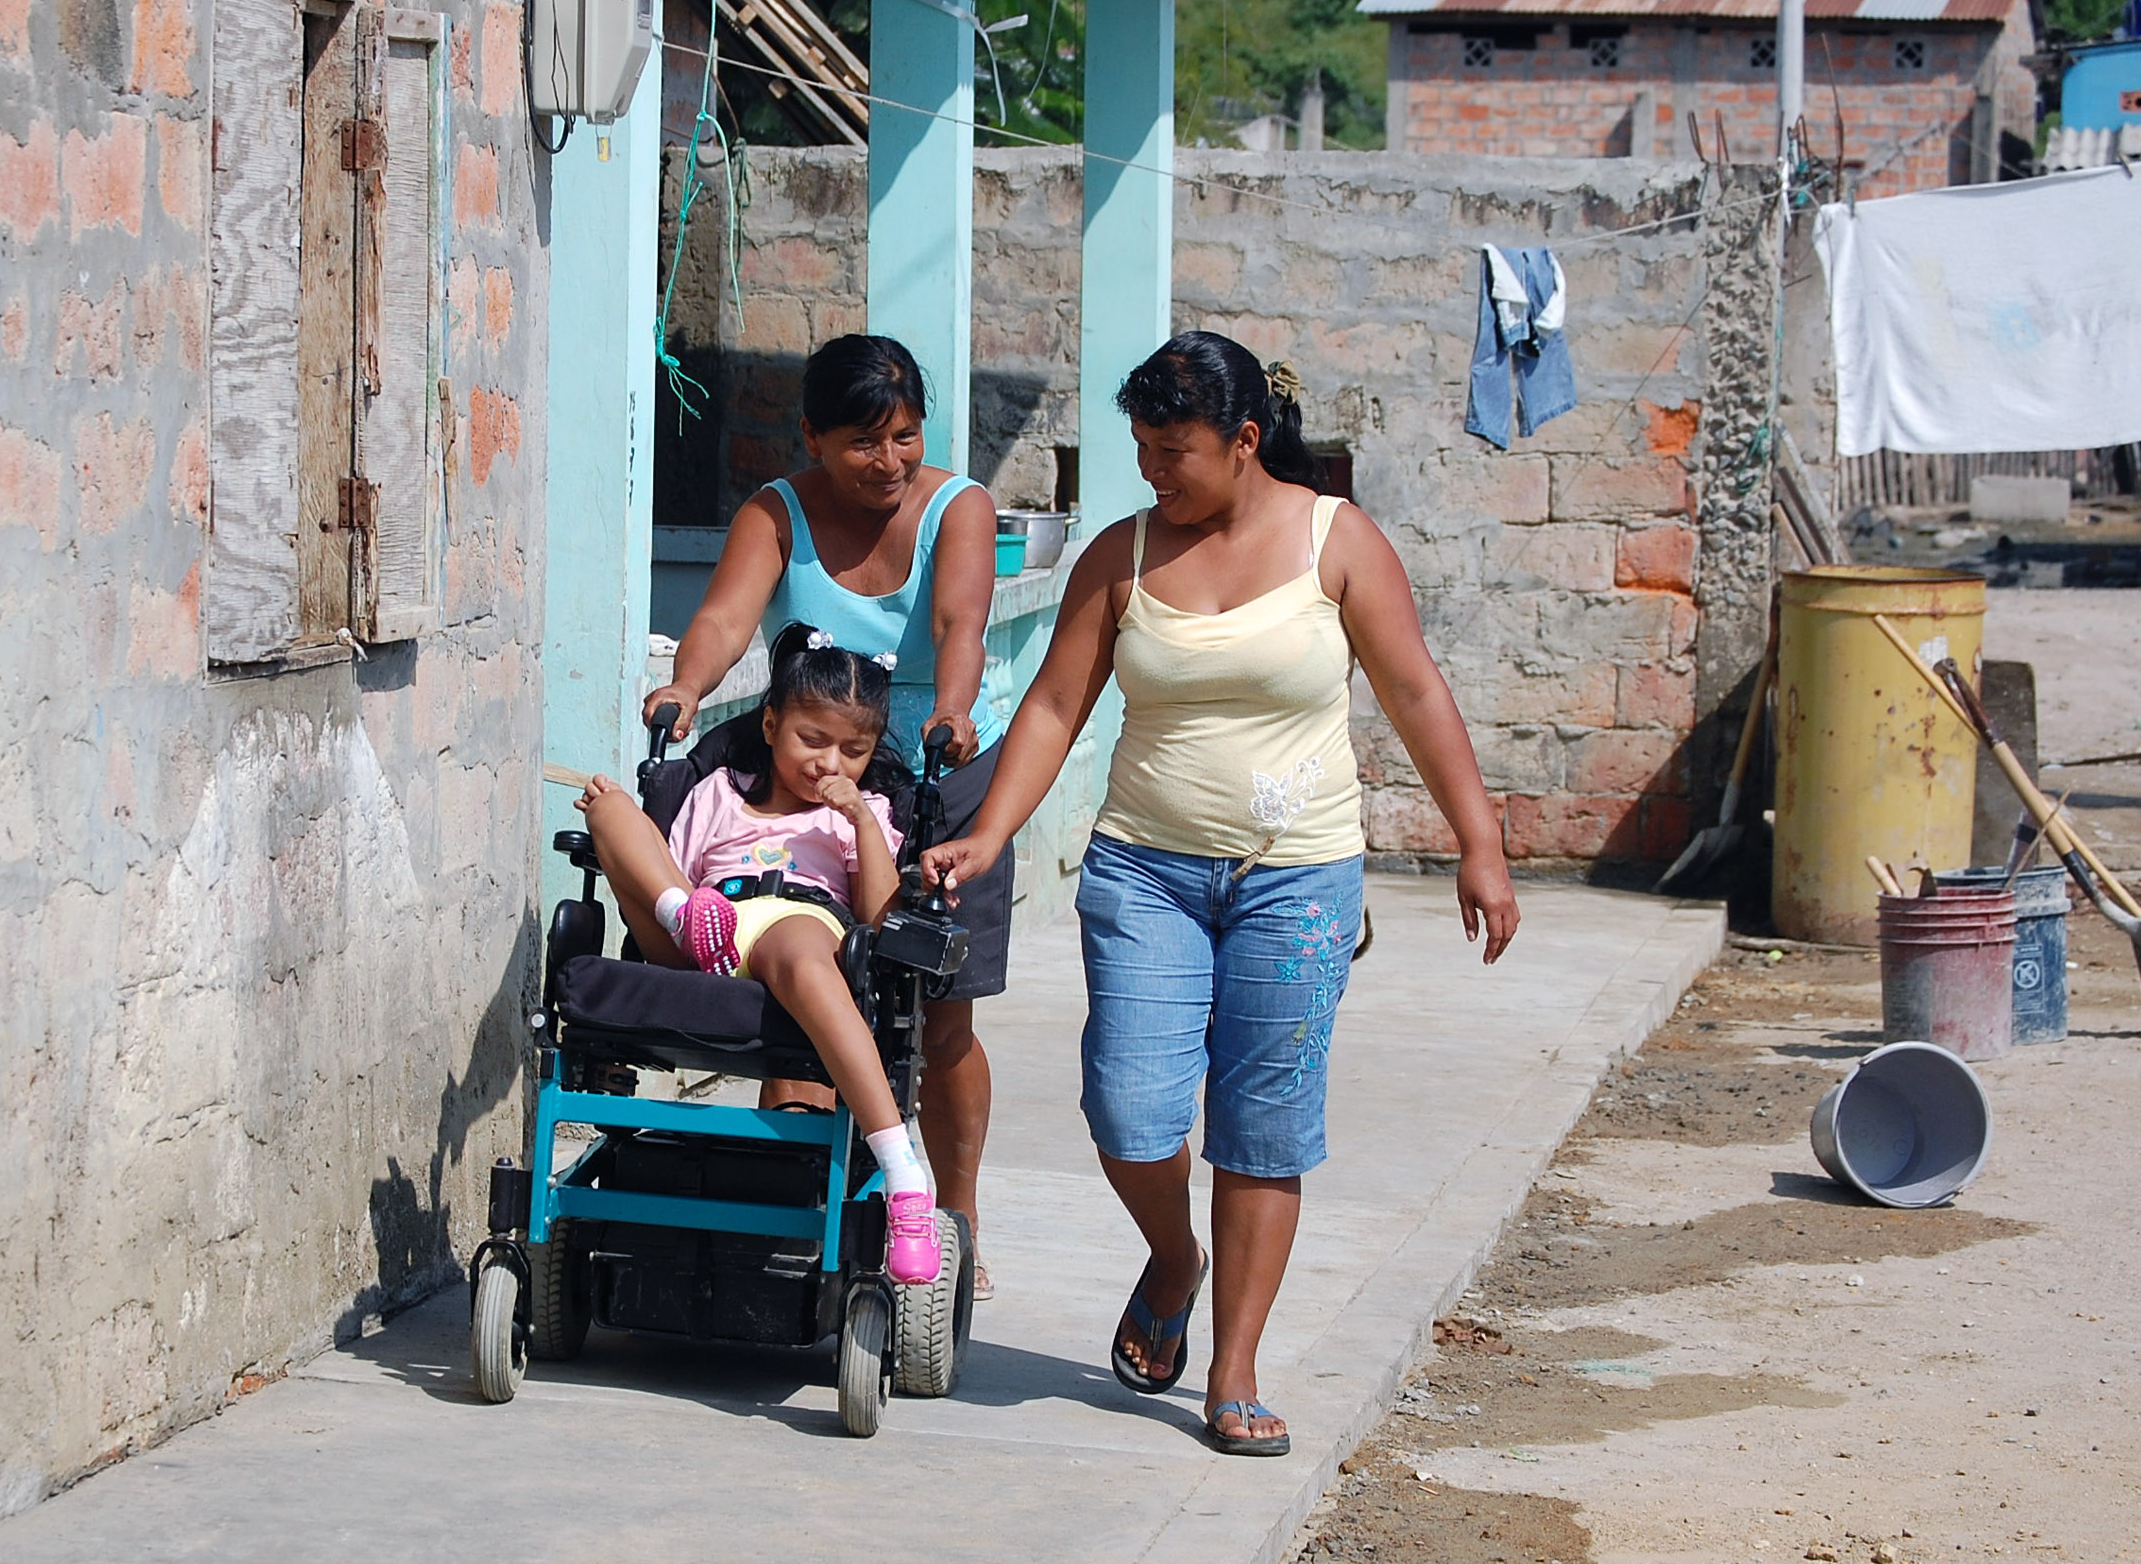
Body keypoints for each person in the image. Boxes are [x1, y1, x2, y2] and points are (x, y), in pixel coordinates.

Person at [922, 332, 1521, 1456]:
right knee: (1129, 1107)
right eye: (1143, 447)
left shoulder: (1339, 546)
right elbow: (1053, 707)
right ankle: (1174, 1256)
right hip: (1145, 869)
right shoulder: (1122, 555)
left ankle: (1235, 1368)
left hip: (1297, 880)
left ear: (1245, 443)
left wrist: (1477, 845)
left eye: (1175, 450)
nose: (1154, 470)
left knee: (1263, 1122)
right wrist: (990, 833)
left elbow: (1415, 692)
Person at [646, 334, 1012, 1299]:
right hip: (803, 775)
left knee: (939, 1020)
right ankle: (795, 1204)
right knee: (800, 1002)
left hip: (937, 771)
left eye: (904, 436)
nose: (887, 461)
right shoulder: (776, 512)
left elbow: (958, 625)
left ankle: (954, 1213)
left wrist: (953, 711)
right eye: (861, 442)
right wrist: (686, 687)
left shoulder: (955, 507)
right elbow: (726, 621)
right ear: (811, 436)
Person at [577, 625, 943, 1286]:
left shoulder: (862, 812)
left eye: (853, 751)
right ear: (771, 724)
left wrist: (861, 819)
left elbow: (884, 918)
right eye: (813, 739)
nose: (830, 764)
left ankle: (904, 1173)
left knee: (800, 952)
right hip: (698, 923)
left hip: (797, 920)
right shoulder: (719, 793)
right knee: (609, 809)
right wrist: (683, 904)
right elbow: (664, 861)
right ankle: (683, 913)